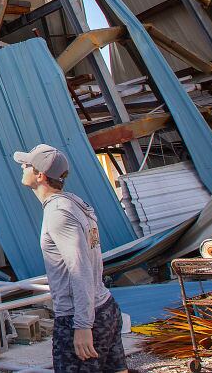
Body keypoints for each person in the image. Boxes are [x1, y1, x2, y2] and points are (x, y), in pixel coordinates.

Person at [13, 144, 127, 373]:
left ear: (40, 175)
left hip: (80, 315)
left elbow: (80, 270)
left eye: (26, 165)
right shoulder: (74, 204)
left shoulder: (59, 213)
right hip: (105, 306)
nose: (22, 168)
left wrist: (83, 325)